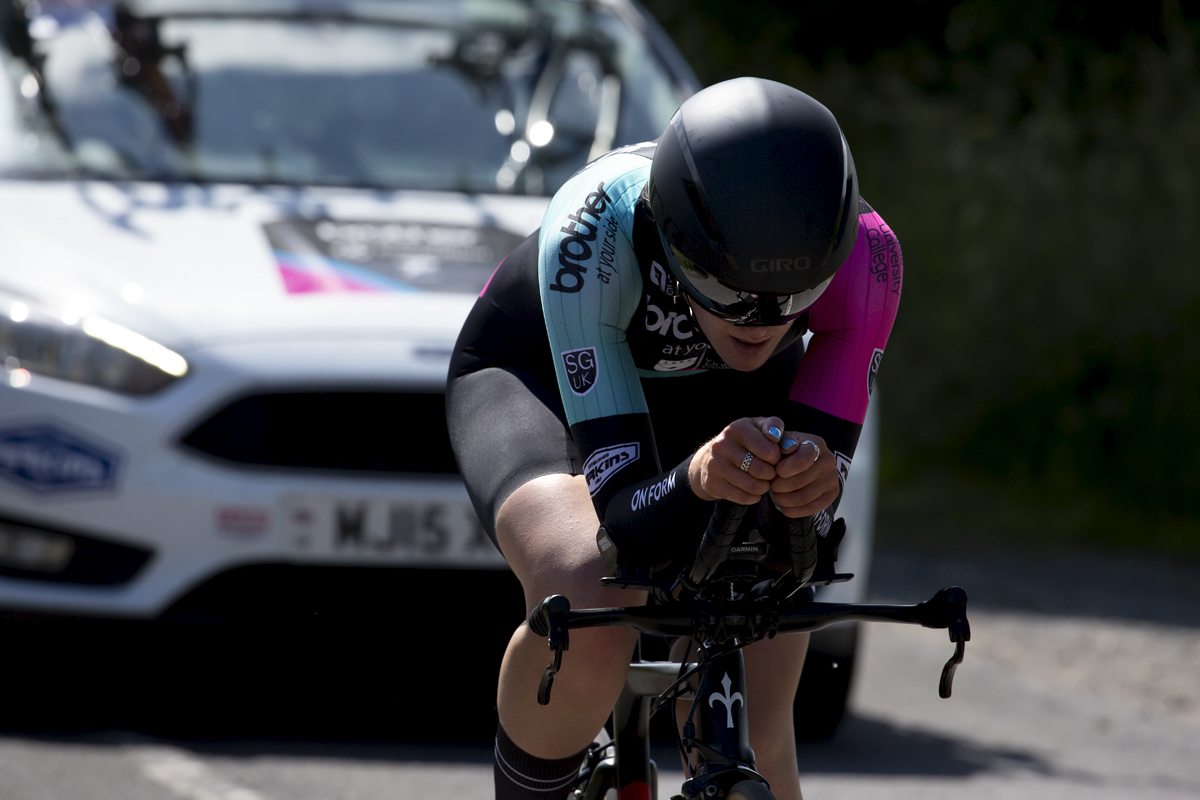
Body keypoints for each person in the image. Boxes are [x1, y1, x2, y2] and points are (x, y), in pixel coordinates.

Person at [447, 77, 902, 800]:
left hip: (730, 402)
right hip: (541, 373)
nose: (758, 321)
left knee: (764, 656)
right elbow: (626, 517)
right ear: (672, 239)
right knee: (589, 590)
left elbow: (802, 536)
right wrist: (692, 479)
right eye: (725, 289)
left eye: (793, 299)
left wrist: (809, 489)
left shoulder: (870, 261)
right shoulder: (592, 234)